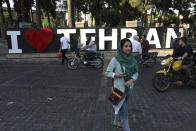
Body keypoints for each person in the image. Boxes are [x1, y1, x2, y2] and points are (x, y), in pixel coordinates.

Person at [105, 38, 138, 131]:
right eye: (126, 46)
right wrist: (116, 75)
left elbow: (136, 73)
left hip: (129, 89)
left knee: (121, 108)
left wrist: (131, 80)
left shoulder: (133, 60)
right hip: (118, 89)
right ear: (121, 47)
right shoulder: (115, 60)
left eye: (130, 46)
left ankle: (117, 122)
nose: (128, 48)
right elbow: (107, 72)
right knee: (124, 112)